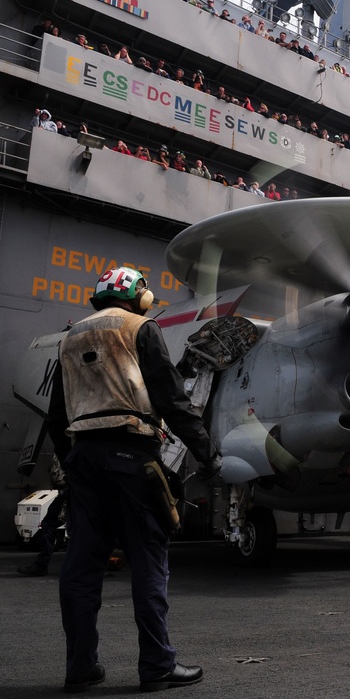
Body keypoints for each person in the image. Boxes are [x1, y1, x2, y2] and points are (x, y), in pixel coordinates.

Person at [47, 267, 222, 692]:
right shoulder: (141, 327)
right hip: (131, 454)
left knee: (82, 566)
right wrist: (207, 454)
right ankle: (157, 665)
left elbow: (57, 415)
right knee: (148, 559)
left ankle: (80, 667)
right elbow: (172, 398)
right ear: (139, 296)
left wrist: (73, 463)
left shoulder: (68, 338)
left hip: (84, 458)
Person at [17, 456, 68, 577]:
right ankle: (41, 565)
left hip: (77, 491)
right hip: (67, 491)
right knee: (49, 524)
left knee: (84, 528)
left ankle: (95, 567)